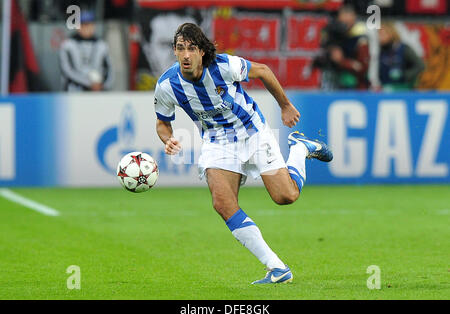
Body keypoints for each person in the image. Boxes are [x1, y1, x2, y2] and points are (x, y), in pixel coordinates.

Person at [154, 23, 333, 284]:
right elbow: (162, 122)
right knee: (222, 204)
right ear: (175, 51)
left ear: (202, 51)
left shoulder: (224, 66)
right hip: (217, 143)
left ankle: (300, 148)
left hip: (253, 132)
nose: (185, 55)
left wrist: (285, 106)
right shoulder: (167, 85)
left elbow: (263, 70)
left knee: (286, 196)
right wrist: (167, 139)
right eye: (180, 49)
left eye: (191, 48)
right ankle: (277, 268)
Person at [313, 5, 370, 90]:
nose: (345, 19)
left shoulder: (360, 38)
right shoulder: (333, 34)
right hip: (332, 81)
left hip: (354, 86)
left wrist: (342, 61)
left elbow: (362, 68)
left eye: (348, 15)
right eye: (342, 16)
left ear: (354, 17)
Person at [59, 10, 114, 91]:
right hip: (74, 91)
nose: (86, 28)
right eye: (83, 25)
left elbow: (109, 69)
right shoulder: (67, 45)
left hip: (97, 91)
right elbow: (67, 70)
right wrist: (88, 83)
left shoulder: (102, 45)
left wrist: (103, 85)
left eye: (89, 24)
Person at [378, 23, 425, 91]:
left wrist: (405, 75)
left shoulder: (403, 49)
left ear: (391, 33)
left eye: (382, 34)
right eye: (378, 34)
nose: (380, 37)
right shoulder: (378, 50)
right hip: (385, 88)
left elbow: (420, 65)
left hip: (403, 88)